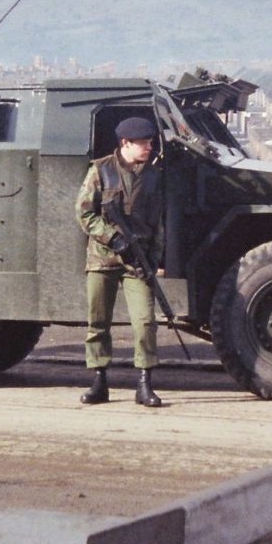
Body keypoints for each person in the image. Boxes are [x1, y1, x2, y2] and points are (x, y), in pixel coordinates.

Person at [74, 115, 166, 407]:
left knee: (145, 322)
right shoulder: (101, 171)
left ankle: (144, 383)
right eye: (144, 143)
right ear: (126, 143)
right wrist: (112, 238)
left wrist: (151, 261)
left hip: (136, 262)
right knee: (98, 322)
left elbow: (158, 225)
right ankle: (99, 382)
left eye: (150, 142)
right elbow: (84, 213)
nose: (149, 147)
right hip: (103, 258)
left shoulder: (152, 176)